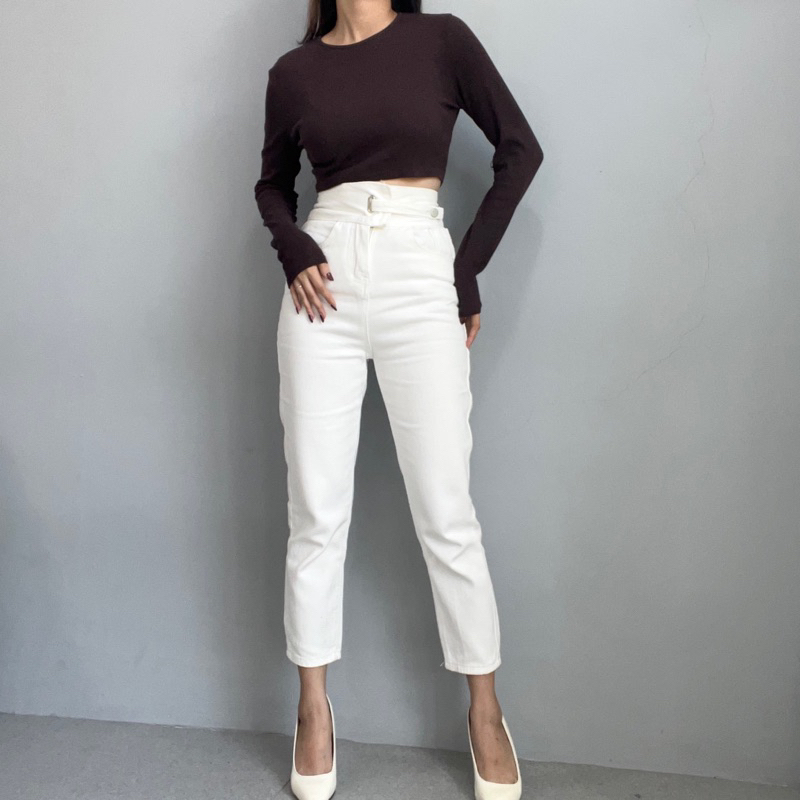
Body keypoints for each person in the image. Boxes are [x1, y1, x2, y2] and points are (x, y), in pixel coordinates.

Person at [253, 2, 543, 798]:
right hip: (323, 283)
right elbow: (272, 185)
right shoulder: (295, 71)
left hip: (420, 266)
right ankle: (313, 708)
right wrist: (294, 246)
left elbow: (521, 149)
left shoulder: (440, 40)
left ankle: (485, 710)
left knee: (447, 511)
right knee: (315, 510)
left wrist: (464, 269)